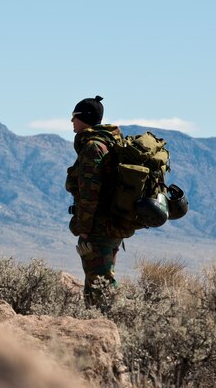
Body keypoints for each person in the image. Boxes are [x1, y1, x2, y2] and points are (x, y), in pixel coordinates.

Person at [65, 96, 132, 306]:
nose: (71, 122)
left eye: (73, 117)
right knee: (101, 281)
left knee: (99, 286)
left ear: (83, 118)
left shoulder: (93, 147)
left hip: (99, 228)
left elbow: (89, 194)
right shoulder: (109, 142)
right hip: (112, 226)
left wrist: (83, 228)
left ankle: (112, 326)